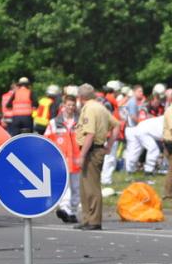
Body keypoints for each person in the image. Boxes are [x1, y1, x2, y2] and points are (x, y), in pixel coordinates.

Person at [74, 83, 119, 231]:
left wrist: (82, 155)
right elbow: (117, 125)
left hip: (92, 150)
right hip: (97, 149)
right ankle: (87, 218)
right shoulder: (101, 107)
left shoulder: (90, 109)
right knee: (85, 186)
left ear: (81, 97)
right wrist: (109, 146)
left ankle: (94, 220)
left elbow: (90, 134)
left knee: (91, 187)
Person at [45, 94, 81, 224]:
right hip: (61, 161)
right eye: (68, 105)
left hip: (77, 161)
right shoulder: (54, 123)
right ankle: (65, 209)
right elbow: (47, 140)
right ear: (63, 106)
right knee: (65, 186)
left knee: (76, 187)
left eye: (72, 105)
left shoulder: (80, 121)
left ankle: (73, 212)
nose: (70, 108)